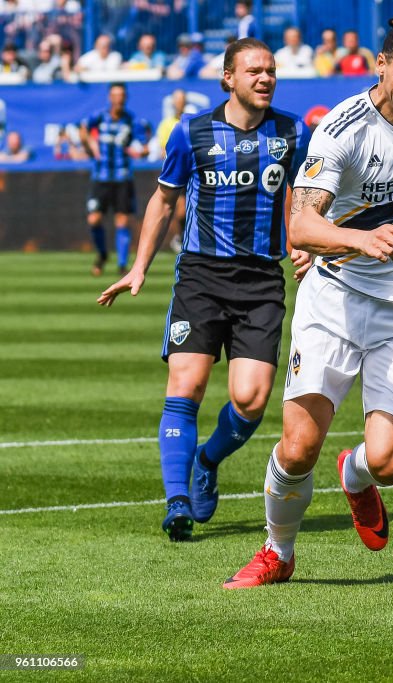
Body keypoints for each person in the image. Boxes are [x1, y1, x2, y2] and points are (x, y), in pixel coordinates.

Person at [223, 16, 393, 589]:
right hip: (336, 296)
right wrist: (354, 239)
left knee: (389, 463)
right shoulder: (341, 129)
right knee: (299, 444)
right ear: (380, 65)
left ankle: (356, 477)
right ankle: (277, 552)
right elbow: (302, 224)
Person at [97, 38, 311, 543]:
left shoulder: (291, 131)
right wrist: (138, 267)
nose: (265, 78)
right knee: (186, 387)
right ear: (228, 79)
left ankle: (207, 459)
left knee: (252, 401)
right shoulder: (191, 133)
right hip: (200, 276)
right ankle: (177, 502)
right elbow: (163, 200)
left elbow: (304, 198)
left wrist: (308, 243)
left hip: (261, 281)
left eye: (271, 71)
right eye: (254, 70)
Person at [80, 82, 148, 276]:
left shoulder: (131, 121)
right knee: (94, 219)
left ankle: (122, 265)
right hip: (100, 177)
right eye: (115, 95)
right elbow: (83, 129)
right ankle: (102, 254)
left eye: (121, 95)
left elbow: (143, 147)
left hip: (122, 177)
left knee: (122, 222)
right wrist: (90, 143)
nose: (118, 99)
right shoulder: (99, 116)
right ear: (110, 98)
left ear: (125, 98)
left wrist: (140, 151)